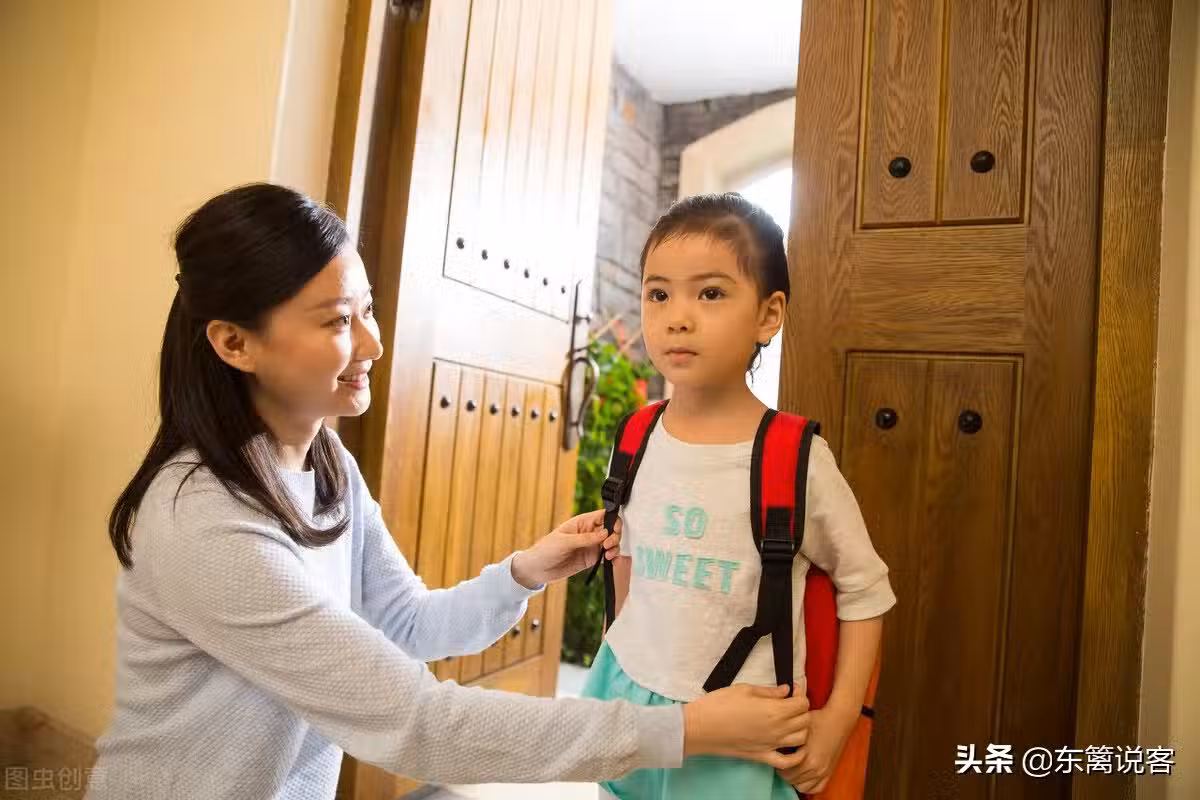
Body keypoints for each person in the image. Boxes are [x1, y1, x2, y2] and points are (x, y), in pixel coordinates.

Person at [84, 184, 814, 799]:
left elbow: (407, 623)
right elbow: (419, 723)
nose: (372, 343)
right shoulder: (202, 523)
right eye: (337, 321)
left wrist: (524, 572)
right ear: (234, 343)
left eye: (367, 308)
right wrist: (683, 729)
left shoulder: (324, 463)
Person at [581, 193, 896, 799]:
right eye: (658, 294)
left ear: (768, 315)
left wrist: (836, 725)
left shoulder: (795, 459)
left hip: (741, 736)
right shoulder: (636, 434)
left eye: (710, 293)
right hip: (630, 704)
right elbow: (626, 558)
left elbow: (866, 591)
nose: (677, 317)